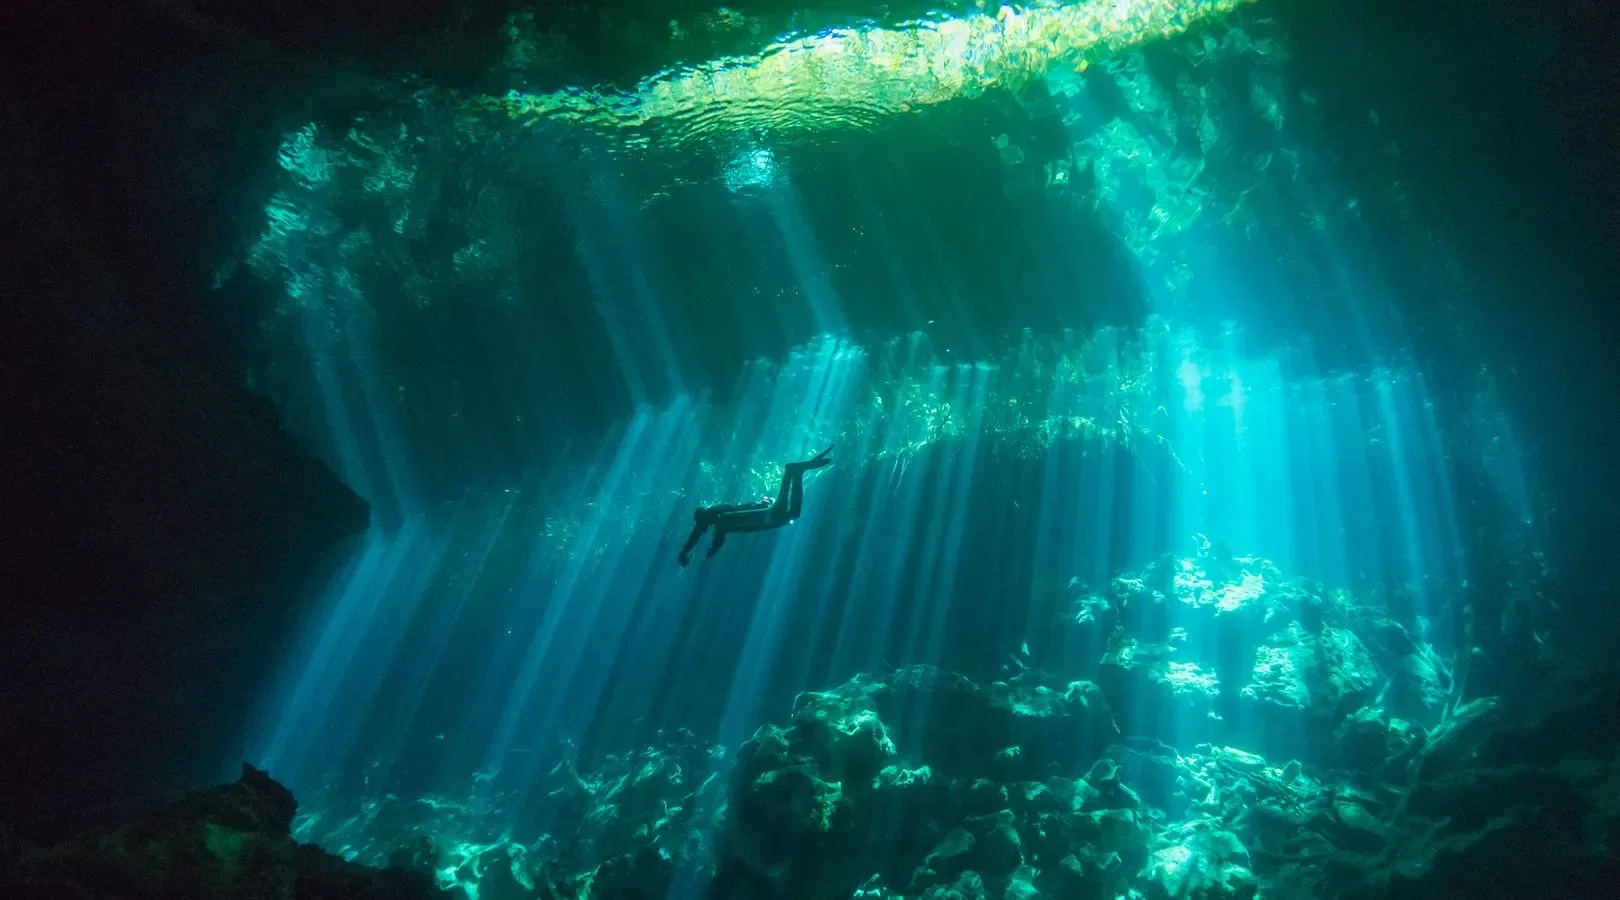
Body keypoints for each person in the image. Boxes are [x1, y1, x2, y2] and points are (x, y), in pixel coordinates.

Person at [678, 446, 834, 566]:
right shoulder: (721, 514)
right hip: (762, 515)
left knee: (789, 513)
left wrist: (707, 553)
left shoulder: (721, 520)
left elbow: (710, 535)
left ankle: (794, 471)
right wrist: (691, 551)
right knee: (790, 513)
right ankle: (794, 471)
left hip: (763, 518)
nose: (702, 528)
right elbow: (702, 534)